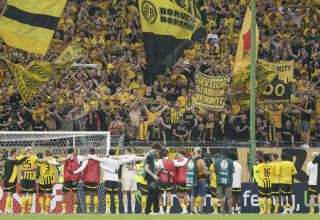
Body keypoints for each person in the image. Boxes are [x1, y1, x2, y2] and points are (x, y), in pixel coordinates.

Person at [88, 149, 135, 214]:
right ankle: (117, 211)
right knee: (116, 194)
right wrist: (132, 156)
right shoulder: (118, 161)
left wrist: (89, 155)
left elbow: (96, 158)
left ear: (108, 153)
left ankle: (107, 210)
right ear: (115, 154)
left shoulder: (105, 159)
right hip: (115, 179)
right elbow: (128, 160)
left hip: (108, 179)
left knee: (108, 194)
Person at [70, 148, 112, 214]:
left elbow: (81, 168)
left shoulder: (86, 160)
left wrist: (74, 172)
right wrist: (112, 170)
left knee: (88, 194)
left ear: (89, 152)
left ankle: (88, 210)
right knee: (95, 194)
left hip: (87, 179)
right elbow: (104, 167)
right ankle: (95, 210)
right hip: (95, 179)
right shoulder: (98, 160)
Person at [156, 149, 188, 214]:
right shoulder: (172, 161)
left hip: (161, 180)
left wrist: (161, 170)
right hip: (170, 181)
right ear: (168, 154)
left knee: (160, 195)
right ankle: (168, 210)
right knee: (169, 196)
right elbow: (181, 164)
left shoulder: (160, 161)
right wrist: (186, 158)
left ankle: (161, 210)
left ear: (162, 155)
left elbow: (154, 167)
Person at [17, 147, 47, 214]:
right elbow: (41, 161)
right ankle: (29, 210)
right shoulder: (33, 157)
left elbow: (16, 161)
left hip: (23, 178)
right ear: (29, 151)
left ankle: (23, 210)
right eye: (31, 150)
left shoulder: (21, 157)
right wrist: (48, 158)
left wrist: (22, 169)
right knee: (30, 194)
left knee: (23, 194)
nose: (32, 151)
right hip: (31, 178)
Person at [58, 148, 87, 214]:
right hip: (73, 179)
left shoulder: (68, 158)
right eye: (75, 151)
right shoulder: (77, 157)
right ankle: (73, 210)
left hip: (68, 179)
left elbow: (59, 161)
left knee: (64, 193)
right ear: (73, 152)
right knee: (74, 194)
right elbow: (85, 157)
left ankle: (65, 210)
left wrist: (66, 158)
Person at [120, 148, 144, 214]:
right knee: (132, 194)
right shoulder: (134, 157)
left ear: (128, 152)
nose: (124, 152)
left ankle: (125, 210)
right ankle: (133, 210)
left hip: (126, 177)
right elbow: (142, 158)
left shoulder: (124, 157)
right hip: (133, 177)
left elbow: (117, 158)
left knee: (125, 193)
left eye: (125, 151)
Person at [3, 149, 28, 214]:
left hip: (6, 179)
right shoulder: (13, 160)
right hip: (11, 179)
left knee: (8, 195)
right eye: (17, 153)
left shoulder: (7, 160)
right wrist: (25, 157)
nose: (18, 154)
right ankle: (7, 210)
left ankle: (7, 209)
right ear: (13, 154)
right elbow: (18, 162)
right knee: (10, 195)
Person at [187, 147, 210, 214]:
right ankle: (199, 210)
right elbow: (204, 172)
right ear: (201, 152)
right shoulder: (201, 161)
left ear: (194, 152)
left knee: (193, 195)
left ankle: (192, 210)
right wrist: (210, 172)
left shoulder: (190, 160)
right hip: (201, 180)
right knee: (202, 195)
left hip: (193, 179)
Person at [37, 150, 60, 214]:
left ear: (44, 154)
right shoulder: (52, 159)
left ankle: (42, 210)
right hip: (49, 180)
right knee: (47, 196)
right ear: (50, 154)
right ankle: (46, 211)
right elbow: (58, 163)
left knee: (41, 195)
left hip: (42, 180)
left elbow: (37, 164)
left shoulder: (42, 160)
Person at [144, 142, 162, 215]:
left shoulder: (150, 154)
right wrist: (154, 175)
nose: (159, 151)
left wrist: (156, 169)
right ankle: (147, 211)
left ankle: (156, 211)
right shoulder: (150, 155)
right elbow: (146, 168)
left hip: (151, 177)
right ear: (156, 148)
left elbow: (150, 166)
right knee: (151, 194)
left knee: (156, 193)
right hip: (150, 177)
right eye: (159, 149)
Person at [173, 150, 190, 214]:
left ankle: (184, 209)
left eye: (178, 153)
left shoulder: (177, 160)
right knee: (185, 194)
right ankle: (185, 209)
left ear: (181, 154)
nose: (178, 154)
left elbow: (174, 169)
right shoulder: (188, 160)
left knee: (178, 195)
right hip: (187, 179)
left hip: (180, 180)